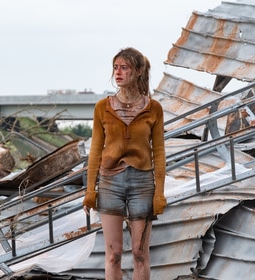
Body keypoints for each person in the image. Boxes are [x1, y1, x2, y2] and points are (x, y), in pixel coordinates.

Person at [83, 47, 166, 280]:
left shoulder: (153, 108)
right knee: (114, 254)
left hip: (142, 182)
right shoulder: (103, 107)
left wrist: (159, 193)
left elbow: (159, 153)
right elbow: (95, 151)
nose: (118, 72)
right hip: (110, 182)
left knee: (140, 253)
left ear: (138, 71)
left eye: (125, 67)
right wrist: (90, 190)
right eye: (115, 67)